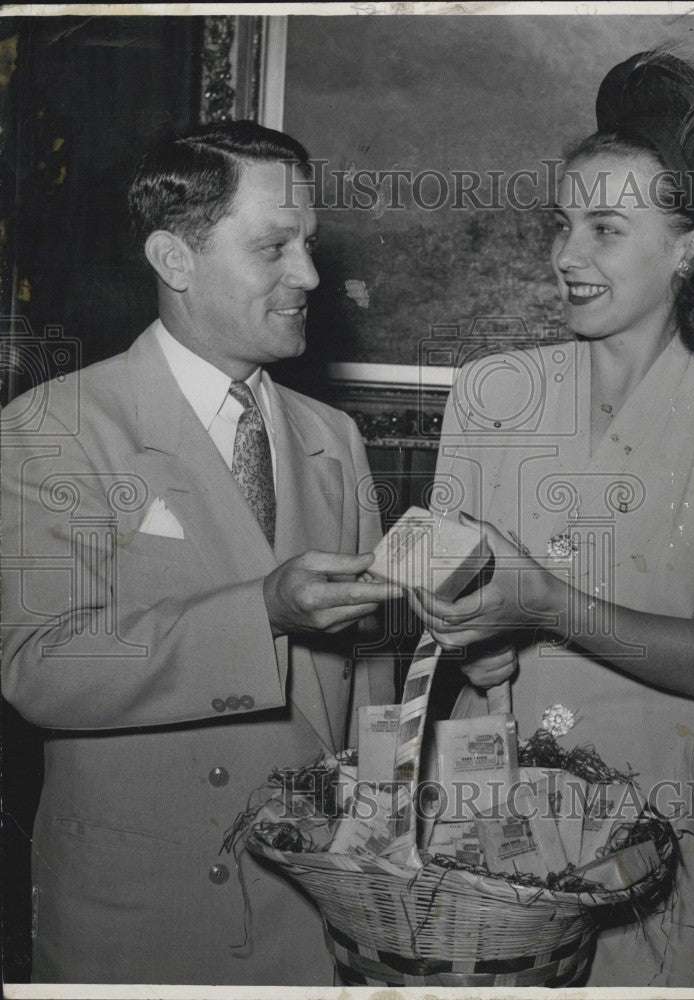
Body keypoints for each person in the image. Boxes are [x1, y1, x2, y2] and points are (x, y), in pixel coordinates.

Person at [410, 52, 694, 987]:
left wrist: (543, 602)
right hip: (494, 806)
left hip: (677, 820)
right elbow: (439, 582)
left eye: (605, 229)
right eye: (561, 224)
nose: (565, 256)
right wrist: (461, 631)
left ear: (688, 246)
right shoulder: (490, 390)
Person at [1, 121, 398, 985]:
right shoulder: (55, 430)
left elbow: (369, 679)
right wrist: (260, 612)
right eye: (275, 248)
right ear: (175, 261)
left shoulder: (334, 438)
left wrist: (380, 841)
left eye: (311, 245)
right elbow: (41, 667)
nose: (311, 277)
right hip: (149, 910)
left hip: (316, 908)